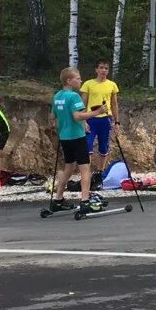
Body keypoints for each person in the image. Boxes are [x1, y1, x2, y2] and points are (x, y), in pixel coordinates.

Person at [50, 67, 108, 214]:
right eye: (77, 78)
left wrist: (79, 124)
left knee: (68, 168)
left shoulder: (57, 96)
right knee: (85, 169)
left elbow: (53, 117)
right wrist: (97, 112)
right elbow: (77, 116)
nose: (80, 80)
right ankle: (85, 200)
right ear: (69, 81)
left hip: (65, 137)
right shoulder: (74, 96)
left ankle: (58, 199)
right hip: (77, 136)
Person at [80, 59, 120, 175]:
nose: (103, 70)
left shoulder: (112, 85)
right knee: (88, 144)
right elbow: (83, 103)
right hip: (91, 118)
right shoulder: (88, 84)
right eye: (101, 67)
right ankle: (86, 173)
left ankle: (99, 172)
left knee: (104, 145)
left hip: (105, 118)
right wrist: (83, 120)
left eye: (106, 68)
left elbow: (114, 104)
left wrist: (117, 122)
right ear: (96, 69)